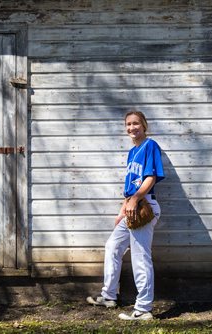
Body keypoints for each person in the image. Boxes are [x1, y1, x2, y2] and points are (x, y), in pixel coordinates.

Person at [87, 109, 165, 321]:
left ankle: (143, 309)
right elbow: (130, 186)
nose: (132, 128)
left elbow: (151, 178)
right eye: (128, 124)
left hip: (144, 206)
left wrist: (134, 199)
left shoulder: (150, 146)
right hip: (131, 207)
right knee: (113, 246)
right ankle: (109, 296)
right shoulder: (132, 152)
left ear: (144, 125)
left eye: (136, 123)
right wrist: (123, 209)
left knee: (140, 256)